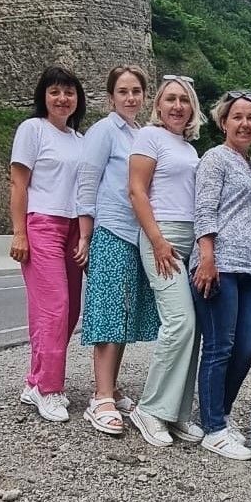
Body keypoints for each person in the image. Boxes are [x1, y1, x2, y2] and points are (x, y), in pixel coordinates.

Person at [77, 65, 160, 435]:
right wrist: (85, 236)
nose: (130, 98)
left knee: (124, 314)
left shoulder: (141, 134)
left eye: (136, 91)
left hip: (136, 233)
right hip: (111, 229)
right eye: (123, 91)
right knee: (109, 313)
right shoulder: (104, 130)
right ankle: (101, 397)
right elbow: (86, 182)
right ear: (111, 97)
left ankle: (110, 386)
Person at [190, 90, 251, 460]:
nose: (245, 123)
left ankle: (218, 413)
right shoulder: (215, 158)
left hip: (250, 269)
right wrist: (207, 257)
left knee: (246, 346)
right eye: (237, 117)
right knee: (219, 346)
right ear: (223, 122)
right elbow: (204, 208)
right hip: (218, 264)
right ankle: (213, 428)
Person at [128, 74, 205, 448]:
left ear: (192, 108)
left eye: (184, 100)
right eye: (170, 99)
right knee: (180, 321)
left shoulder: (189, 148)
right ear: (158, 105)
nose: (177, 106)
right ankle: (150, 408)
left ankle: (175, 412)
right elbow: (136, 191)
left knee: (194, 328)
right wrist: (157, 240)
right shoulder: (149, 137)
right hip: (163, 237)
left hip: (190, 239)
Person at [10, 65, 86, 423]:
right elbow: (18, 184)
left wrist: (85, 235)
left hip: (73, 228)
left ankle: (36, 380)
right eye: (55, 91)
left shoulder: (80, 139)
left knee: (69, 311)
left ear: (77, 99)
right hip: (42, 224)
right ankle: (50, 389)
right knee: (54, 308)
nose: (62, 98)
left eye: (69, 92)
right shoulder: (33, 129)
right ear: (44, 96)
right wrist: (19, 232)